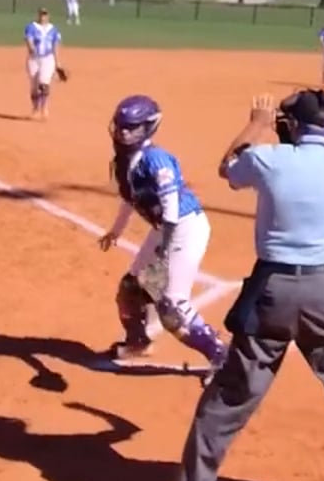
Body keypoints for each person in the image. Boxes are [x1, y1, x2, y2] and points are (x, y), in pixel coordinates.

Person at [174, 90, 324, 481]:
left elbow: (227, 168)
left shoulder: (268, 159)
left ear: (292, 125)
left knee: (229, 397)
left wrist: (256, 124)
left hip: (271, 293)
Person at [96, 95, 227, 367]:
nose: (124, 132)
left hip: (184, 228)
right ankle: (138, 342)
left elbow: (171, 206)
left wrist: (164, 249)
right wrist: (115, 232)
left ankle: (221, 356)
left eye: (131, 127)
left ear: (148, 127)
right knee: (132, 289)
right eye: (121, 126)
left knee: (172, 306)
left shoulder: (156, 160)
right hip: (165, 229)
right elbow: (130, 199)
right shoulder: (125, 160)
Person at [24, 8, 62, 121]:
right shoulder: (31, 27)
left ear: (48, 16)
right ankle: (35, 108)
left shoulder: (54, 30)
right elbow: (29, 40)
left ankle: (44, 108)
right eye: (41, 14)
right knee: (34, 87)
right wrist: (31, 48)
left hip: (48, 58)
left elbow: (55, 46)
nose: (43, 17)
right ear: (38, 15)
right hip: (33, 59)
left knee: (44, 83)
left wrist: (57, 62)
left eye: (45, 15)